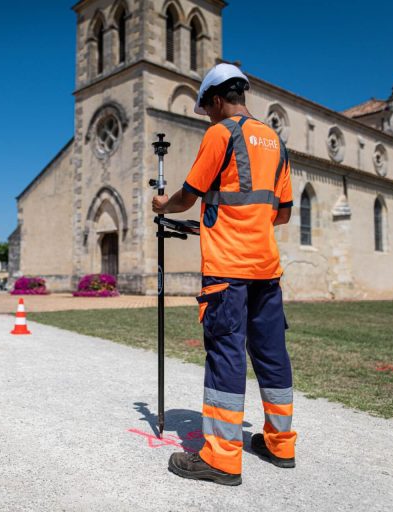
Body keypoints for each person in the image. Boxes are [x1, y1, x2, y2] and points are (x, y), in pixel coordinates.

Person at [152, 63, 297, 486]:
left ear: (217, 99)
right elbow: (283, 213)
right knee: (271, 354)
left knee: (226, 354)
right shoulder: (275, 140)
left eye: (208, 107)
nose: (209, 115)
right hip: (266, 268)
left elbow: (188, 195)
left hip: (227, 270)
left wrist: (162, 206)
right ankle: (280, 443)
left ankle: (221, 458)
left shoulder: (220, 134)